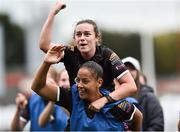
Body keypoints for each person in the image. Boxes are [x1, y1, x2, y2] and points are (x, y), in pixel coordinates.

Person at [38, 0, 137, 112]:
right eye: (78, 34)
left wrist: (104, 100)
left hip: (105, 108)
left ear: (97, 38)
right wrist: (52, 14)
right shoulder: (70, 52)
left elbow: (131, 86)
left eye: (87, 34)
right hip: (78, 107)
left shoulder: (107, 54)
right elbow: (44, 45)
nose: (82, 38)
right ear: (74, 39)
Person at [31, 48, 142, 130]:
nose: (79, 85)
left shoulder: (114, 104)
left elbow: (138, 116)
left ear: (99, 82)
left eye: (85, 81)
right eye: (78, 80)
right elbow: (38, 88)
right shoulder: (71, 97)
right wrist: (46, 63)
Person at [11, 67, 69, 131]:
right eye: (40, 82)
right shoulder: (31, 100)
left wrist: (54, 96)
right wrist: (18, 110)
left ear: (56, 83)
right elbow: (16, 130)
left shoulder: (65, 101)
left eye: (47, 82)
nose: (43, 86)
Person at [122, 56, 164, 131]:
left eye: (132, 69)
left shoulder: (149, 97)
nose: (128, 72)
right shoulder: (115, 95)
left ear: (138, 73)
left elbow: (157, 126)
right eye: (125, 69)